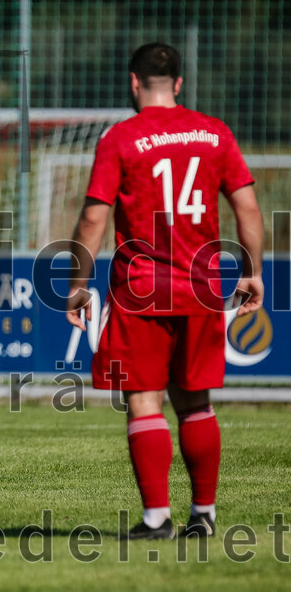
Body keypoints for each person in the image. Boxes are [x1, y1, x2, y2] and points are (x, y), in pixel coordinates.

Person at [66, 43, 264, 539]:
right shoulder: (216, 133)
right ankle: (205, 515)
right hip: (200, 287)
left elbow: (94, 216)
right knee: (196, 402)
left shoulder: (121, 137)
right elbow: (248, 208)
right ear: (178, 83)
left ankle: (156, 518)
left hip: (141, 289)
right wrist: (253, 270)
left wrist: (76, 285)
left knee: (144, 402)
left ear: (134, 82)